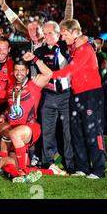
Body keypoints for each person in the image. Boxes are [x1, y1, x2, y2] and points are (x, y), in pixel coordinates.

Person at [52, 19, 106, 179]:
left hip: (91, 95)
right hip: (77, 94)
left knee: (92, 131)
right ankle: (82, 167)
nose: (63, 38)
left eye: (65, 34)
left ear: (75, 33)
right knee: (77, 131)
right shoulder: (75, 47)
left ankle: (98, 169)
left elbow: (71, 70)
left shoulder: (85, 48)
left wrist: (49, 75)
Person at [0, 53, 53, 174]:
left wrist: (35, 58)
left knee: (13, 133)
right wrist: (2, 115)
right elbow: (12, 107)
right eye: (16, 70)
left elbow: (49, 74)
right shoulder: (11, 87)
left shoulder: (34, 84)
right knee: (2, 132)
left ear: (27, 71)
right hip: (13, 128)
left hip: (30, 127)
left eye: (22, 70)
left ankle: (23, 171)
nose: (19, 73)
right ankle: (50, 171)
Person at [33, 21, 74, 172]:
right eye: (45, 32)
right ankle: (46, 161)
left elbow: (69, 21)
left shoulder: (66, 47)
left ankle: (71, 163)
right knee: (47, 129)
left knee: (67, 130)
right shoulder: (39, 51)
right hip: (47, 95)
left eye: (51, 33)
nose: (47, 35)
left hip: (66, 94)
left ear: (58, 34)